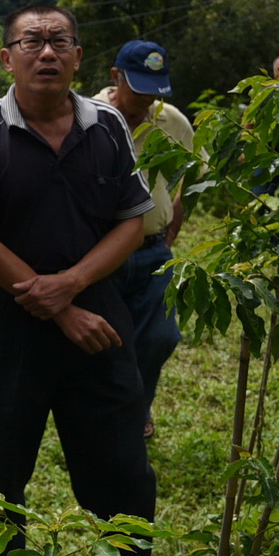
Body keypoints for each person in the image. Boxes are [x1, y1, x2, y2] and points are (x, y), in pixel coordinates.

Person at [0, 4, 161, 556]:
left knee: (122, 464)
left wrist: (71, 290)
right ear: (6, 56)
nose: (45, 53)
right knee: (3, 471)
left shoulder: (107, 128)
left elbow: (132, 221)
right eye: (31, 41)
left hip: (98, 314)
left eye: (58, 42)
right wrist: (56, 306)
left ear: (77, 57)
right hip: (9, 323)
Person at [95, 40, 194, 438]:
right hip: (100, 252)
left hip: (153, 250)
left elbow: (180, 185)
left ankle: (137, 406)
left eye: (155, 88)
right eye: (139, 87)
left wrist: (170, 233)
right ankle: (108, 417)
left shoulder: (173, 122)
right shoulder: (88, 117)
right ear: (115, 77)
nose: (148, 98)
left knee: (159, 336)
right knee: (106, 341)